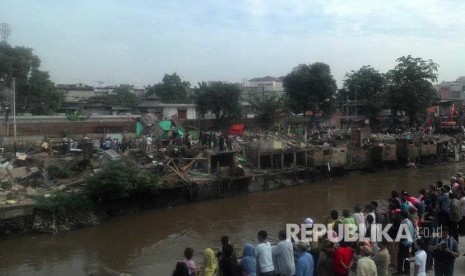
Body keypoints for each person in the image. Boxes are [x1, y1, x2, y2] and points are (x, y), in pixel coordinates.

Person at [396, 211, 414, 275]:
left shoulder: (404, 222)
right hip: (409, 242)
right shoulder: (409, 221)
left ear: (401, 215)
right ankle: (407, 271)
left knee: (400, 258)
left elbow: (404, 233)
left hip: (404, 243)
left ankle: (399, 272)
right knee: (406, 257)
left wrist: (399, 240)